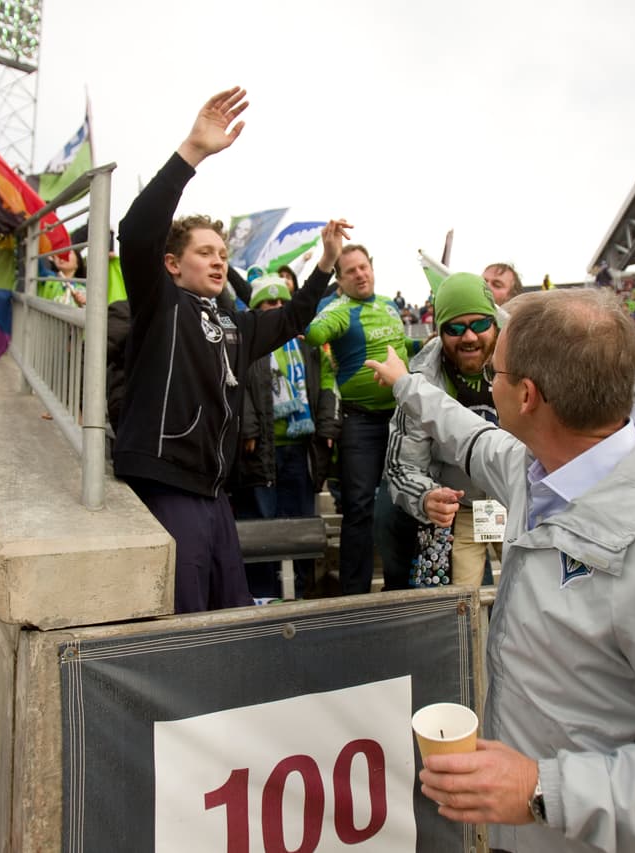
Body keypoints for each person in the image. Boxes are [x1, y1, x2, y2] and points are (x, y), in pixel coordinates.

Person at [363, 290, 635, 852]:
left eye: (497, 373)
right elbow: (469, 432)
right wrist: (406, 382)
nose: (488, 383)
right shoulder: (537, 469)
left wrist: (542, 790)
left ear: (526, 395)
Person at [111, 87, 340, 614]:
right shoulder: (159, 304)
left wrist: (324, 264)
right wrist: (192, 151)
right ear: (173, 264)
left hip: (216, 495)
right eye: (204, 253)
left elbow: (292, 317)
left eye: (223, 253)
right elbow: (137, 231)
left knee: (229, 612)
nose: (218, 262)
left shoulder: (233, 326)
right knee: (186, 618)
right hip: (168, 484)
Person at [304, 243, 416, 596]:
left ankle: (402, 587)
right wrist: (322, 316)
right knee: (358, 508)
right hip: (360, 424)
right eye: (350, 270)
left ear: (372, 268)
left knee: (403, 503)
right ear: (339, 279)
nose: (360, 274)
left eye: (363, 267)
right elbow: (314, 334)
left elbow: (401, 348)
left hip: (401, 419)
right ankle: (355, 594)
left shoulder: (390, 305)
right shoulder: (340, 309)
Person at [385, 272, 501, 590]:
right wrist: (426, 496)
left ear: (495, 323)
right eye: (454, 328)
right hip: (461, 510)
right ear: (439, 331)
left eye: (479, 324)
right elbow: (402, 466)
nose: (469, 337)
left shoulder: (526, 364)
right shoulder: (420, 382)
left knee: (540, 601)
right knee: (461, 610)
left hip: (520, 503)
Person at [233, 275, 340, 599]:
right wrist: (248, 427)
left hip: (301, 451)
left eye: (281, 302)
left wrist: (327, 427)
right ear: (255, 308)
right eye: (268, 302)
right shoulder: (248, 341)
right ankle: (263, 596)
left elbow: (326, 384)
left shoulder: (309, 343)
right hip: (261, 451)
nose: (276, 308)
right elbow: (239, 386)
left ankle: (301, 594)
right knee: (262, 526)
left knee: (301, 525)